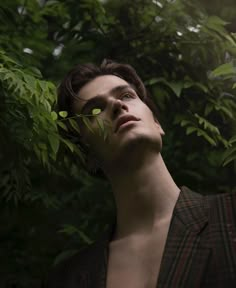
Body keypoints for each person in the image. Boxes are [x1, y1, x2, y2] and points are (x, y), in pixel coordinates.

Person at [43, 59, 236, 288]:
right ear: (87, 154)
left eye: (126, 95)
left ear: (156, 123)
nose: (116, 104)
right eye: (94, 110)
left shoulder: (230, 217)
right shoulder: (69, 279)